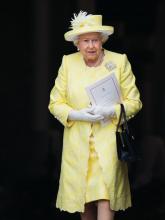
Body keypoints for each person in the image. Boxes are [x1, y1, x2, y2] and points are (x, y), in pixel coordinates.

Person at [48, 10, 142, 220]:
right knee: (84, 204)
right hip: (78, 148)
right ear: (77, 44)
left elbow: (134, 102)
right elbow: (55, 103)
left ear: (103, 41)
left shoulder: (119, 61)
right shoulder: (68, 63)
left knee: (106, 194)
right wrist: (78, 115)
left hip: (108, 146)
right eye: (85, 41)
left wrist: (111, 111)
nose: (91, 45)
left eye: (95, 40)